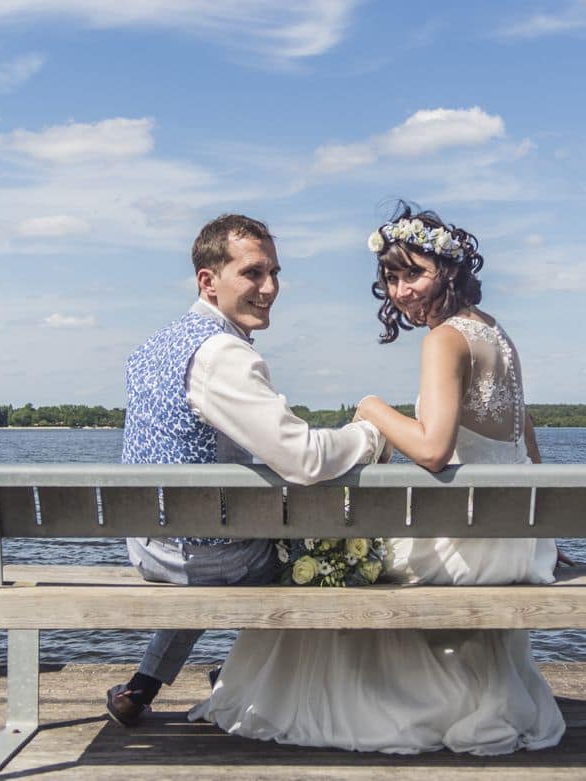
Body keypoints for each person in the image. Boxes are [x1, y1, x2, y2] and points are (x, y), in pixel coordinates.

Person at [188, 203, 566, 754]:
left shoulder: (445, 339)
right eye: (391, 277)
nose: (401, 291)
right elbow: (524, 436)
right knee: (352, 550)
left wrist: (373, 410)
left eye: (414, 273)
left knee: (328, 562)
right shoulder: (495, 333)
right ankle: (441, 690)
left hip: (473, 545)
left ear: (449, 272)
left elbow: (433, 450)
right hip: (517, 541)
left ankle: (351, 704)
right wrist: (541, 524)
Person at [106, 214, 386, 727]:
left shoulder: (153, 346)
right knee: (322, 552)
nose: (270, 287)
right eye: (253, 273)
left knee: (227, 536)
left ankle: (142, 686)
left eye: (274, 273)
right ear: (208, 281)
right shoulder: (221, 355)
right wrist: (369, 435)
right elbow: (305, 458)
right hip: (202, 552)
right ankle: (249, 680)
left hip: (148, 541)